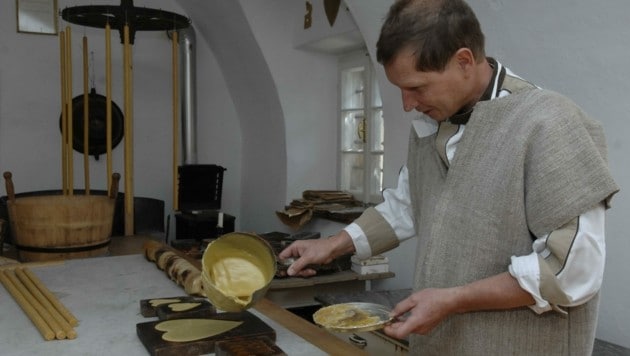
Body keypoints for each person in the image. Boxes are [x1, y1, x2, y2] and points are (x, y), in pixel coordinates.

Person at [279, 0, 620, 354]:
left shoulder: (549, 124)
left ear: (463, 62)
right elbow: (409, 204)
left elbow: (570, 271)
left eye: (417, 87)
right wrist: (331, 246)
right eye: (400, 88)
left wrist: (453, 300)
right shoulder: (433, 124)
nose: (407, 104)